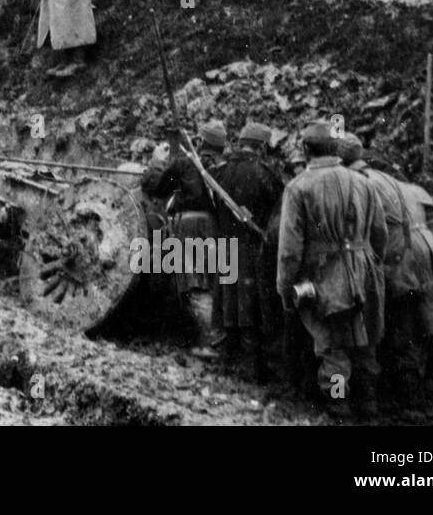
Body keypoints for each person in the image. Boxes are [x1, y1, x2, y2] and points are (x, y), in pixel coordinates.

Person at [277, 120, 387, 419]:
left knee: (334, 348)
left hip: (326, 278)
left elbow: (289, 251)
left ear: (306, 150)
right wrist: (370, 263)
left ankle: (339, 408)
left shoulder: (298, 188)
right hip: (365, 272)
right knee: (364, 345)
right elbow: (380, 234)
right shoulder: (364, 181)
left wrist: (287, 290)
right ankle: (369, 407)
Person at [338, 134, 433, 407]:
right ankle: (417, 388)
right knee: (420, 320)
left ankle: (408, 397)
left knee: (405, 325)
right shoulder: (384, 178)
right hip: (422, 249)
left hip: (399, 256)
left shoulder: (359, 184)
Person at [141, 121, 227, 358]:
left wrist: (157, 163)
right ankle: (215, 338)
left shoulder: (186, 163)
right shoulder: (222, 166)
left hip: (190, 225)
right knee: (210, 280)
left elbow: (155, 187)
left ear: (199, 142)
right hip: (214, 225)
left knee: (194, 282)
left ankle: (208, 343)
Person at [210, 121, 284, 380]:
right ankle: (253, 368)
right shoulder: (264, 173)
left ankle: (227, 362)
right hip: (252, 248)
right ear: (261, 147)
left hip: (225, 246)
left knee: (228, 302)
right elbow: (279, 208)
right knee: (252, 305)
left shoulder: (219, 173)